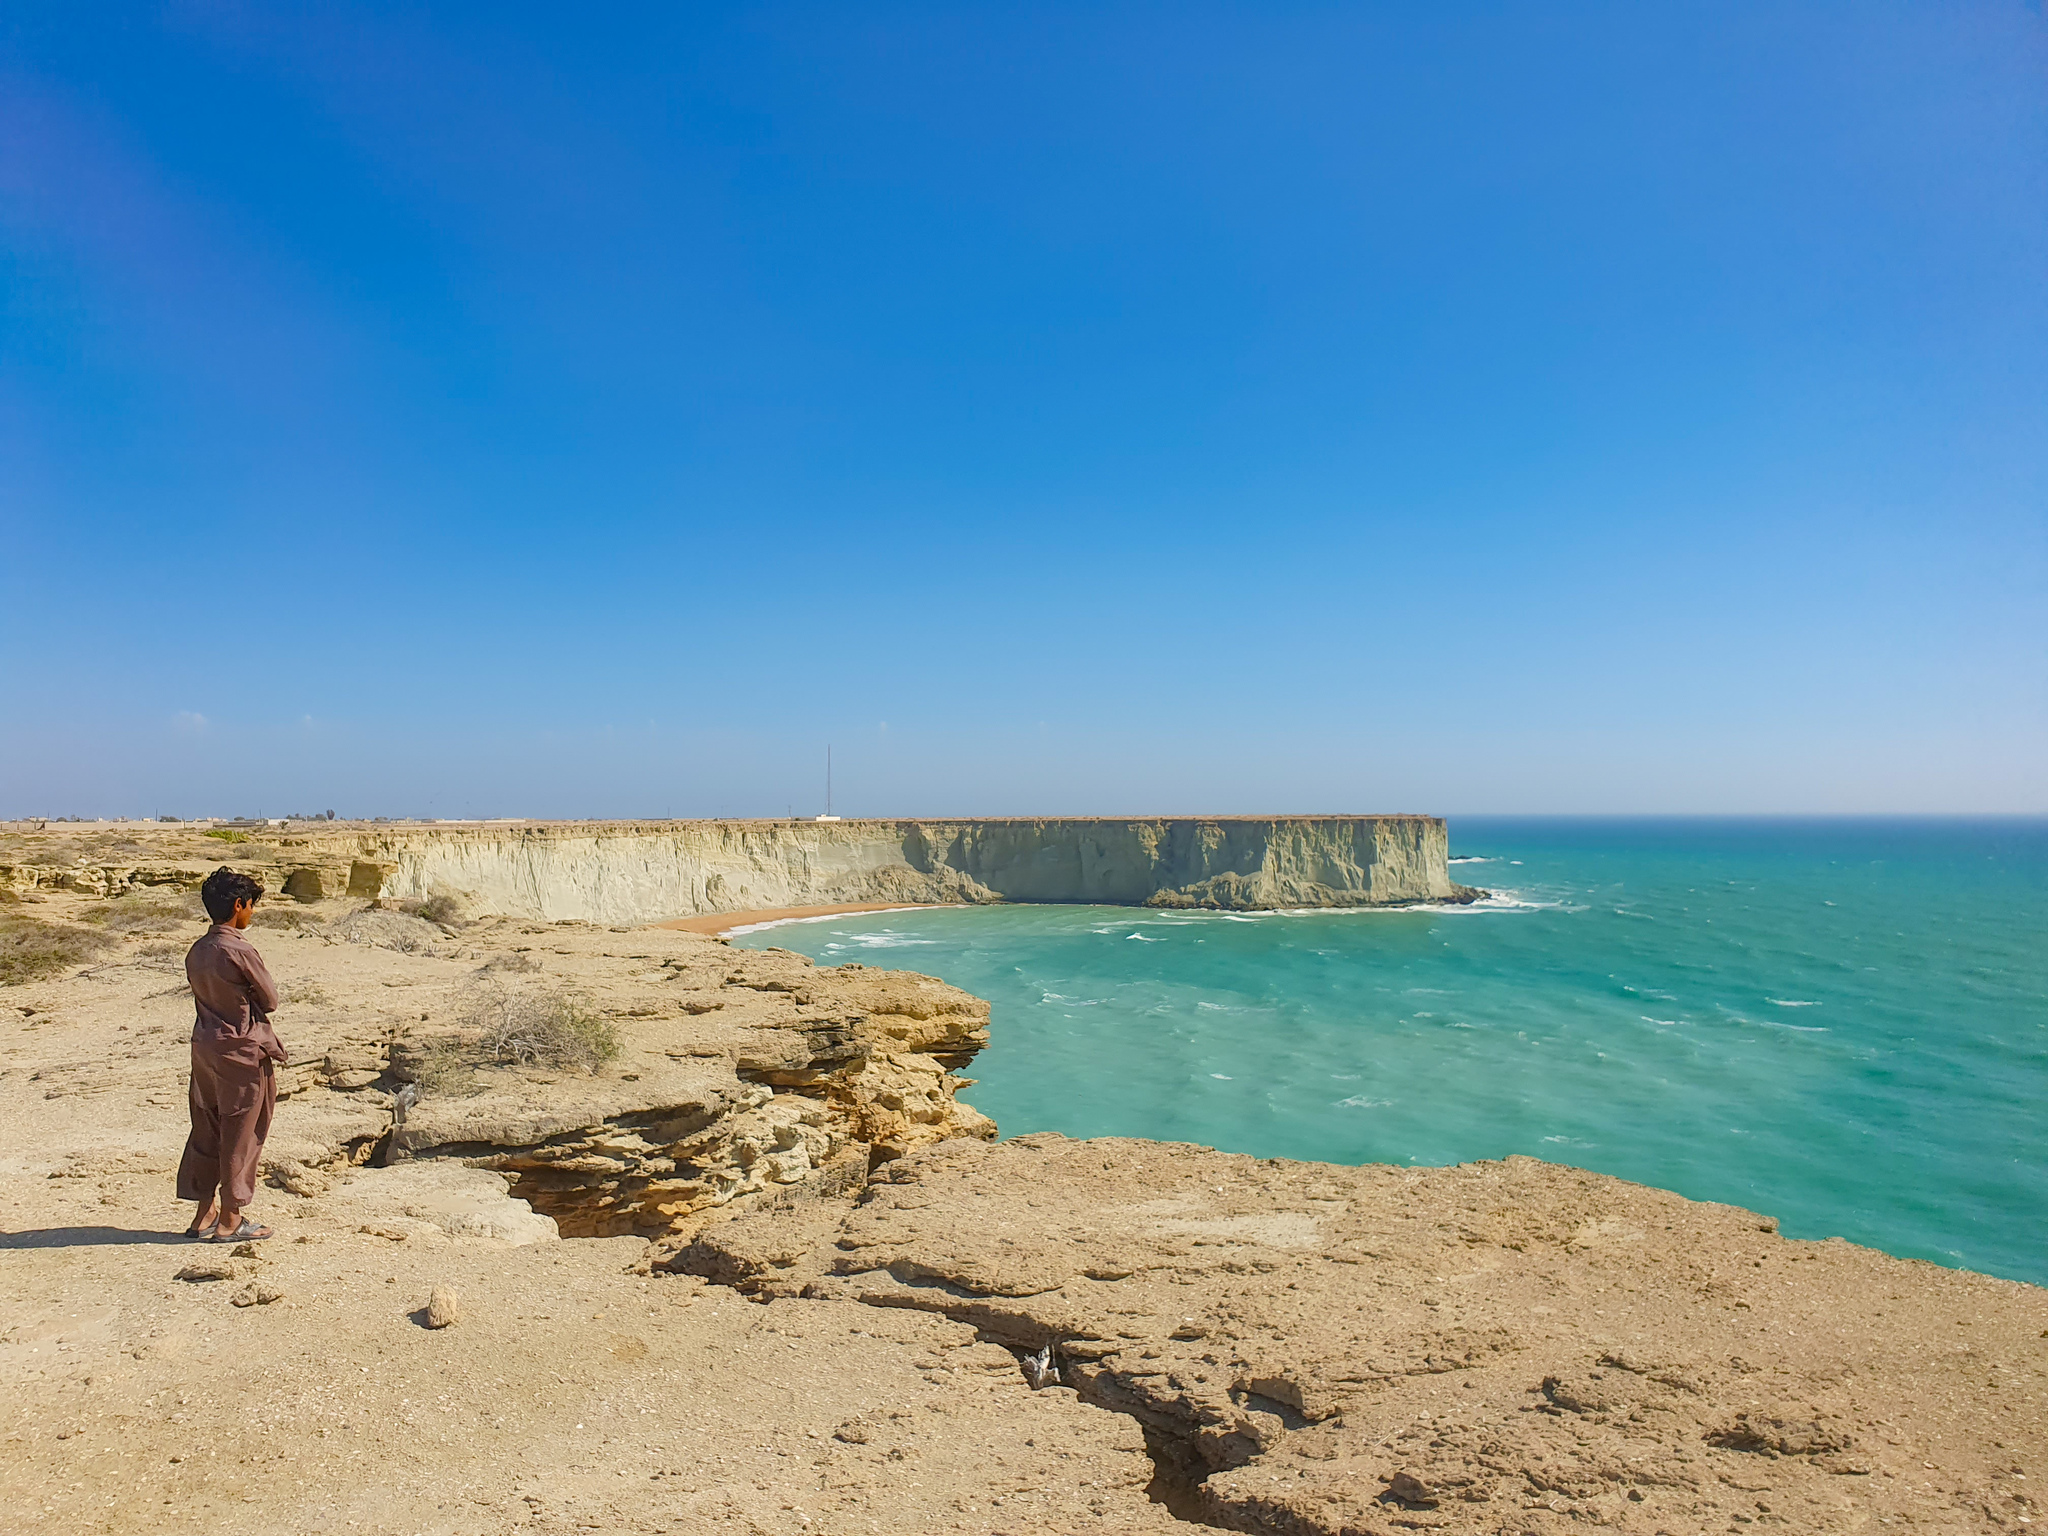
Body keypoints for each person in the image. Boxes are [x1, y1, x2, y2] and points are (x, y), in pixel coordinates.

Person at [177, 867, 290, 1242]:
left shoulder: (198, 949)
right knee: (243, 1130)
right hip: (240, 1048)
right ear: (238, 905)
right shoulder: (239, 948)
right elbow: (270, 999)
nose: (252, 913)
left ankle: (203, 1213)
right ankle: (231, 1217)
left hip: (204, 1046)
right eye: (251, 906)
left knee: (206, 1126)